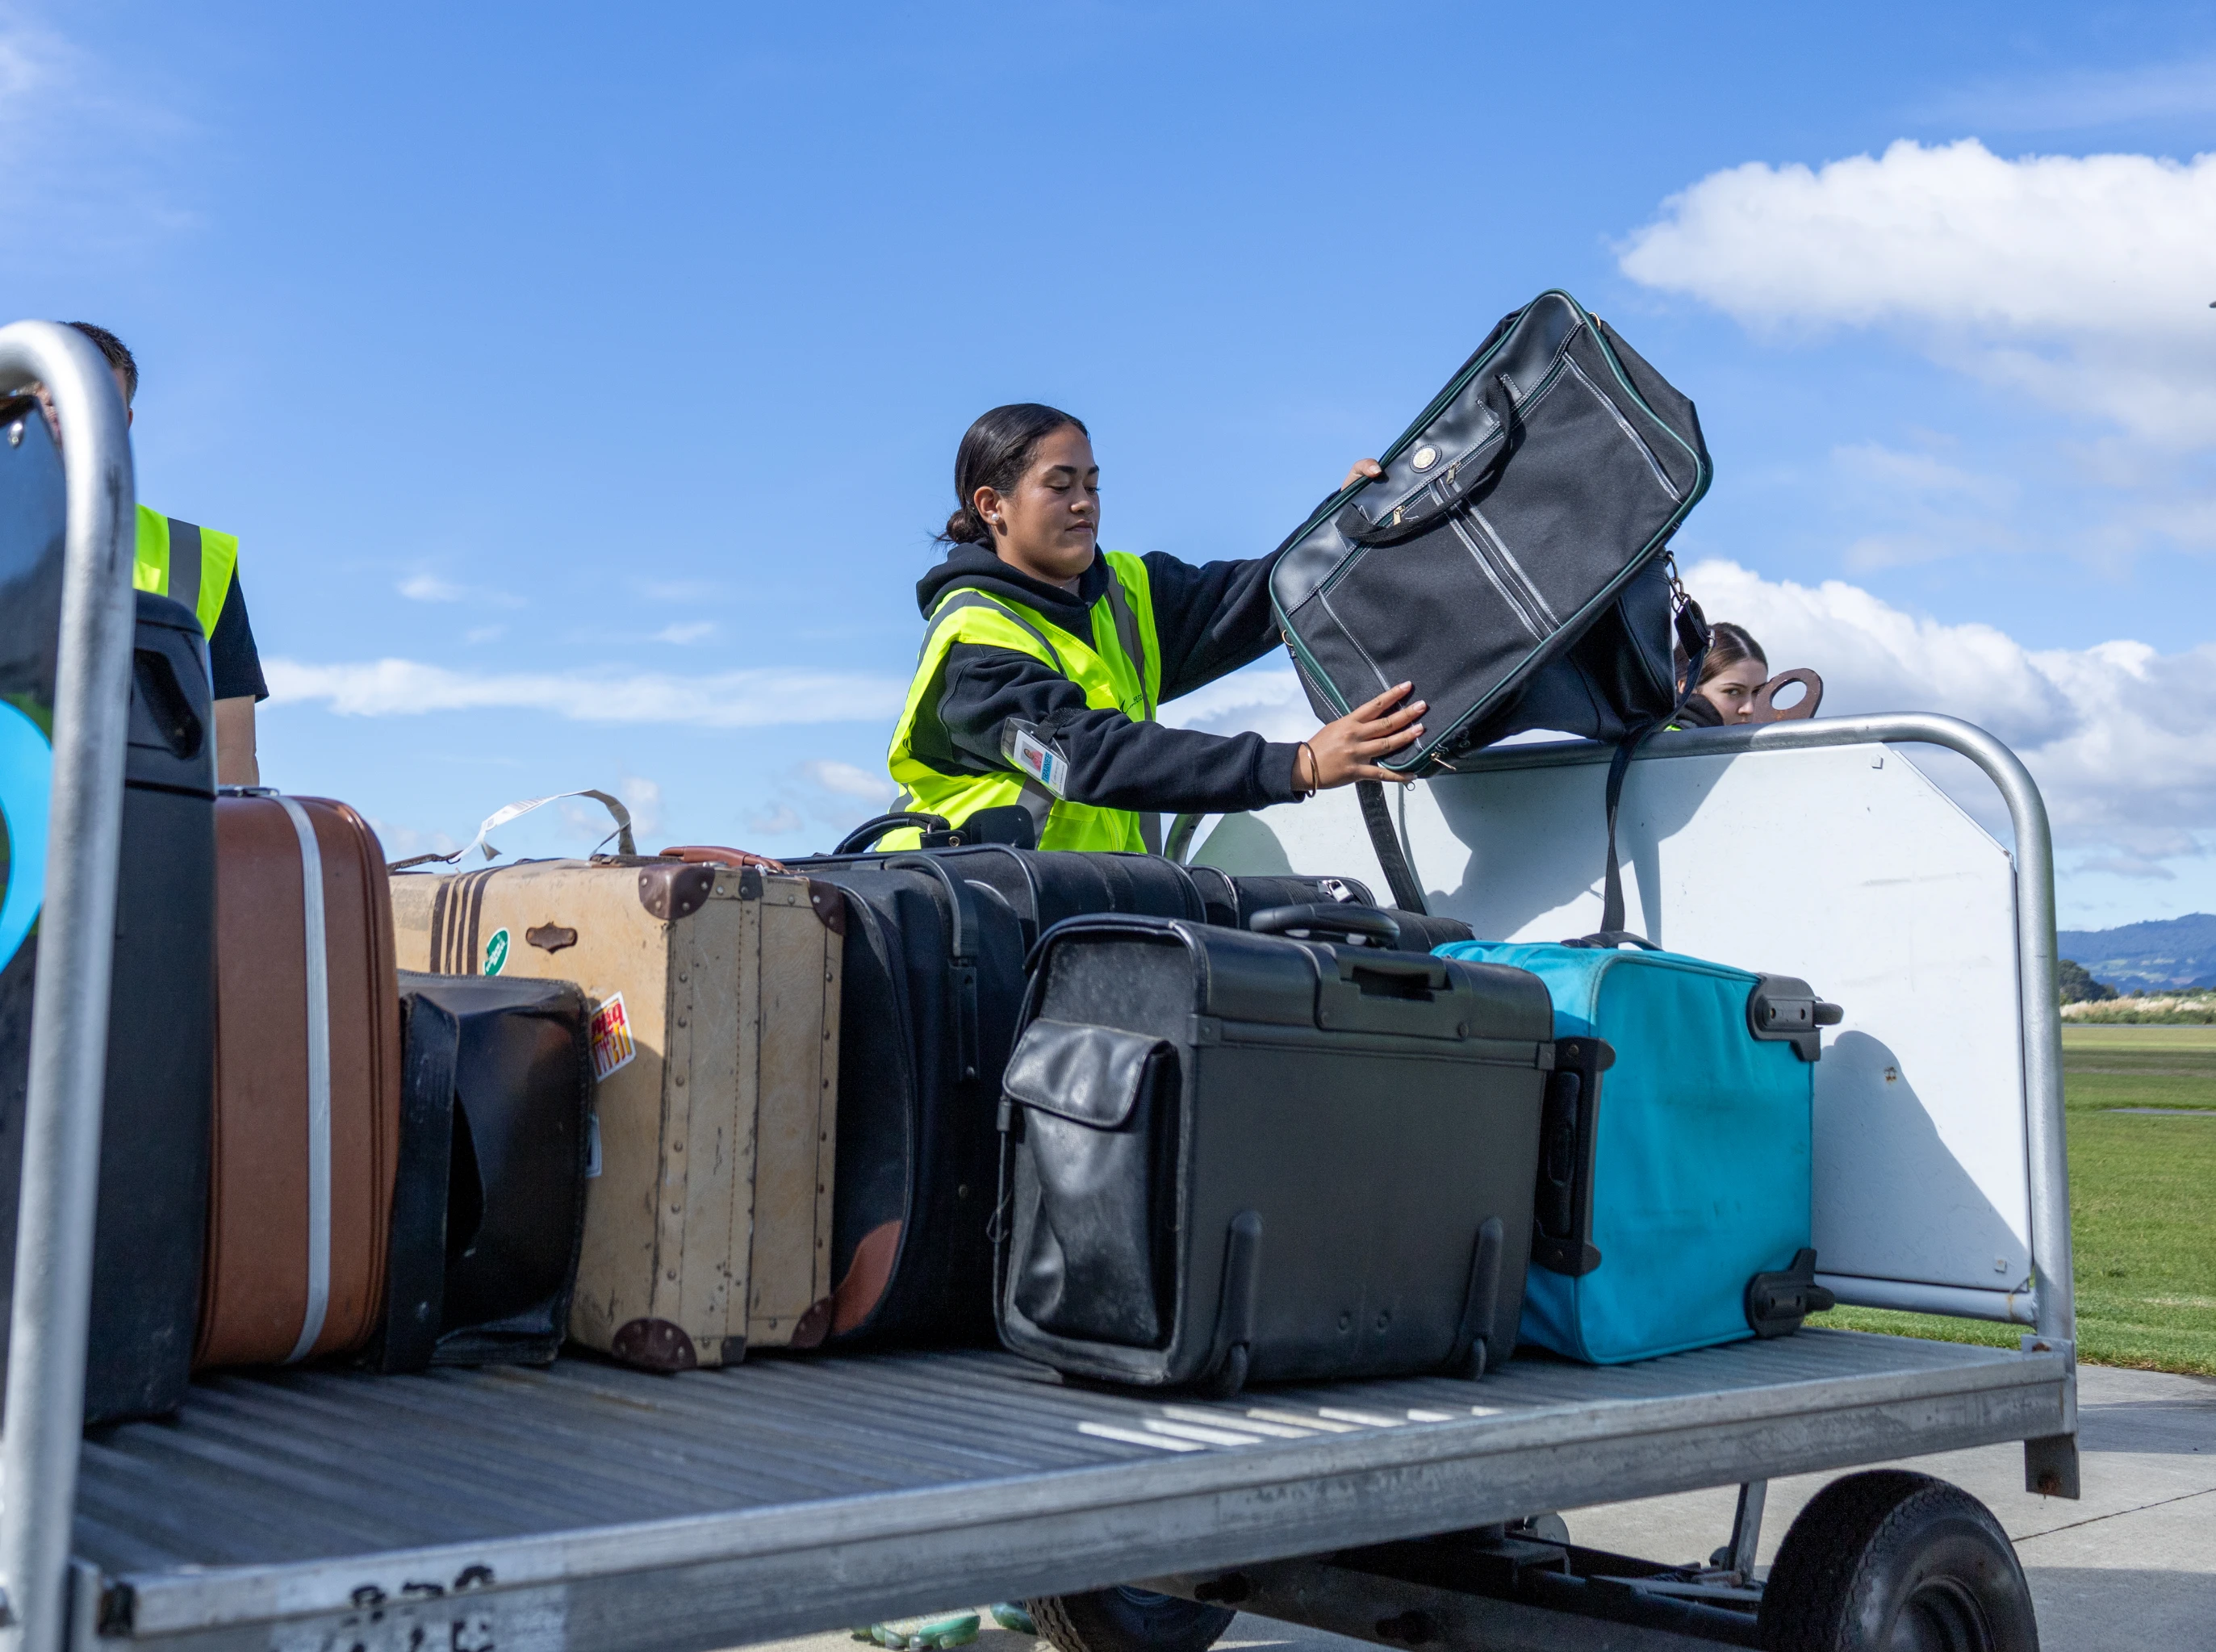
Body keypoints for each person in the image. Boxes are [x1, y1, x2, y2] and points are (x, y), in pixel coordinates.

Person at [884, 404, 1425, 851]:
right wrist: (1297, 764)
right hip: (973, 924)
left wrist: (1349, 523)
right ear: (992, 505)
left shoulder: (1128, 590)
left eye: (1092, 486)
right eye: (1059, 485)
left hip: (1091, 908)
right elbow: (1090, 758)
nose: (1083, 504)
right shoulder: (973, 644)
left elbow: (1267, 591)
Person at [54, 324, 269, 784]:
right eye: (58, 402)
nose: (80, 421)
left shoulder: (197, 558)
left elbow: (231, 751)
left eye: (99, 405)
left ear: (125, 423)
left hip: (151, 838)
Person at [1673, 621, 1768, 726]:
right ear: (1686, 688)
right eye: (1733, 691)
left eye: (1758, 692)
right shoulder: (1669, 740)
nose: (1749, 709)